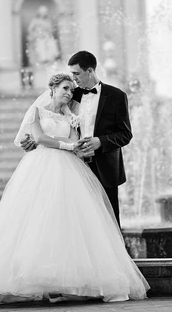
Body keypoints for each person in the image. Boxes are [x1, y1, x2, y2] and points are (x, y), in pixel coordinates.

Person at [0, 73, 149, 304]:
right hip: (41, 166)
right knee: (37, 217)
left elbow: (75, 136)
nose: (69, 93)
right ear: (52, 89)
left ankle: (66, 284)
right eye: (65, 88)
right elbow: (39, 138)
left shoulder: (71, 116)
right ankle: (32, 280)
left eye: (71, 90)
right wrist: (68, 145)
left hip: (69, 168)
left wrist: (76, 146)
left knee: (69, 220)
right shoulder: (36, 112)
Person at [20, 51, 132, 227]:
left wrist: (100, 141)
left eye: (77, 73)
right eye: (71, 74)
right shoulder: (70, 94)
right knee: (78, 223)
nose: (73, 79)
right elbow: (53, 119)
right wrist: (35, 140)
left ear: (90, 71)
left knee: (109, 223)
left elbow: (125, 134)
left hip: (105, 167)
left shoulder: (117, 96)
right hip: (72, 167)